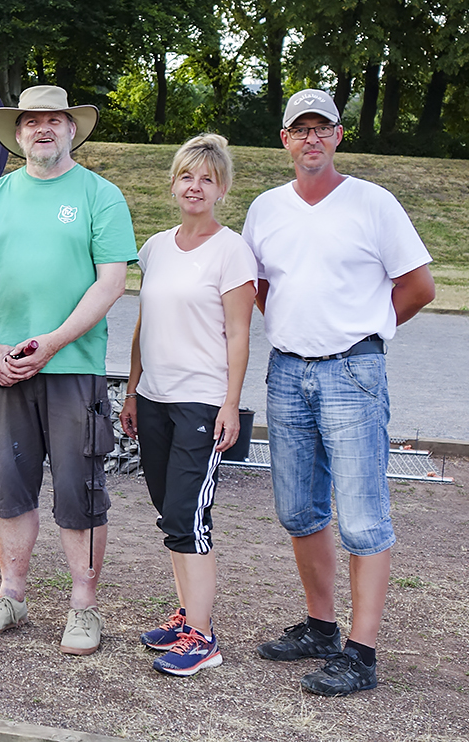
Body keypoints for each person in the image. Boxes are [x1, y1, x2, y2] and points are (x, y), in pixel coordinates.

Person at [243, 88, 434, 695]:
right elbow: (260, 287)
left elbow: (419, 287)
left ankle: (362, 651)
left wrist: (363, 329)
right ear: (285, 139)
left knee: (362, 517)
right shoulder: (266, 209)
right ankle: (321, 627)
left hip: (352, 371)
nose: (312, 139)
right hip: (287, 371)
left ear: (338, 135)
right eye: (300, 129)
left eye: (322, 127)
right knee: (300, 511)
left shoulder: (372, 203)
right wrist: (298, 329)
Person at [0, 85, 137, 654]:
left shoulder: (100, 195)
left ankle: (83, 606)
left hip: (73, 367)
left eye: (54, 120)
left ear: (70, 130)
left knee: (80, 490)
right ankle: (11, 595)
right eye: (31, 121)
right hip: (7, 367)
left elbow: (112, 282)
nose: (42, 129)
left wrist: (54, 342)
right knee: (9, 486)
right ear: (18, 134)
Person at [118, 134, 256, 676]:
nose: (194, 186)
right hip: (155, 399)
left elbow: (239, 335)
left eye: (206, 179)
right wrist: (133, 389)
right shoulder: (155, 247)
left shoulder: (232, 251)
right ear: (173, 184)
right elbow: (144, 325)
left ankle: (203, 637)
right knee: (169, 510)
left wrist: (230, 405)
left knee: (187, 514)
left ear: (221, 189)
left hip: (202, 402)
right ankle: (186, 617)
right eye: (186, 177)